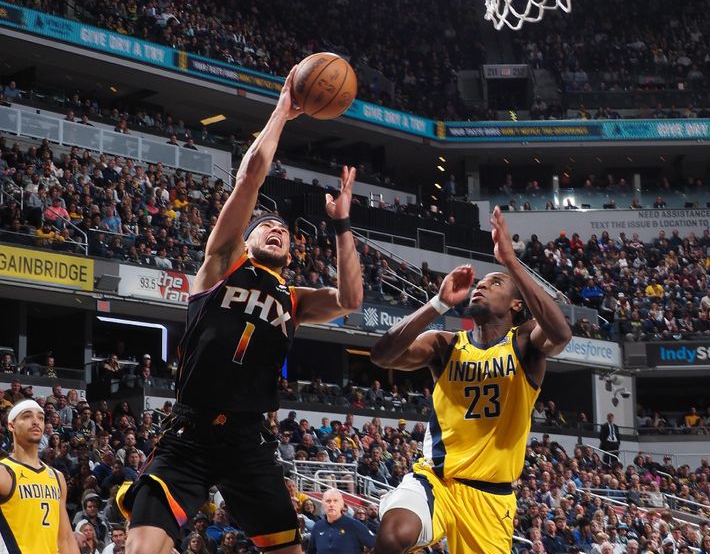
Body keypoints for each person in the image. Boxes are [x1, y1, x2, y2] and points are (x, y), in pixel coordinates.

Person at [118, 67, 364, 554]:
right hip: (189, 433)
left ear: (292, 255)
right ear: (244, 241)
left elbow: (352, 300)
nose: (277, 230)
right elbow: (251, 175)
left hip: (251, 443)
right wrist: (283, 110)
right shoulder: (221, 264)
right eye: (266, 226)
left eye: (285, 232)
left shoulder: (294, 298)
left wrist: (342, 226)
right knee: (143, 548)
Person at [371, 206, 572, 554]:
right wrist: (437, 304)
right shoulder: (445, 345)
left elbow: (561, 332)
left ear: (516, 306)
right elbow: (382, 355)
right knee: (393, 535)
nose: (480, 287)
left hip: (490, 496)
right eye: (479, 284)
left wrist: (511, 262)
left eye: (494, 284)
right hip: (436, 479)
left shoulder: (525, 345)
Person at [0, 399, 80, 553]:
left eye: (41, 418)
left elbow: (65, 539)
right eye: (27, 416)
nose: (36, 421)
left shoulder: (57, 477)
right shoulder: (4, 472)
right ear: (11, 425)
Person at [307, 489, 376, 553]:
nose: (331, 504)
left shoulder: (353, 525)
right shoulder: (318, 527)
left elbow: (376, 544)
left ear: (342, 504)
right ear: (322, 504)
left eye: (335, 501)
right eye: (328, 501)